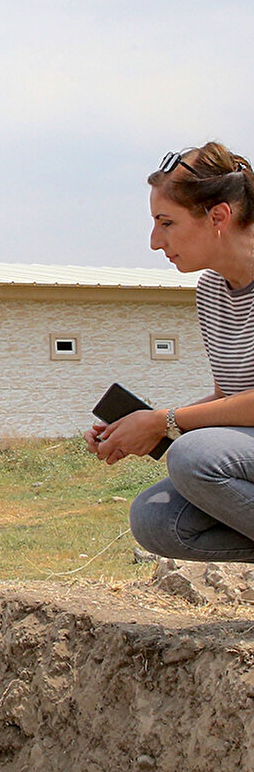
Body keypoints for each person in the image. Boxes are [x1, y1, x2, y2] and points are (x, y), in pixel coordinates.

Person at [88, 143, 254, 568]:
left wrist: (167, 422)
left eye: (167, 223)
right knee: (158, 518)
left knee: (196, 457)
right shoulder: (214, 292)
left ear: (218, 217)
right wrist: (139, 428)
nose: (154, 241)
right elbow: (231, 399)